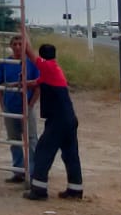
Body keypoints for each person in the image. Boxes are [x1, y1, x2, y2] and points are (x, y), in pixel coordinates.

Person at [23, 43, 83, 201]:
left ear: (42, 56)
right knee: (70, 155)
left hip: (58, 121)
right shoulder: (53, 69)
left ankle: (38, 191)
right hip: (68, 119)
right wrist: (19, 84)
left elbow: (29, 52)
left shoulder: (47, 66)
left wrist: (23, 34)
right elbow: (37, 82)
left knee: (43, 152)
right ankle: (75, 190)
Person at [0, 38, 39, 183]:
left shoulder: (31, 62)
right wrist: (2, 105)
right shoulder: (5, 63)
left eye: (20, 44)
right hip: (10, 106)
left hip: (26, 106)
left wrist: (31, 104)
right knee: (14, 140)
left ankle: (33, 172)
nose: (18, 47)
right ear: (11, 46)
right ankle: (18, 171)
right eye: (15, 44)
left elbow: (38, 85)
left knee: (31, 139)